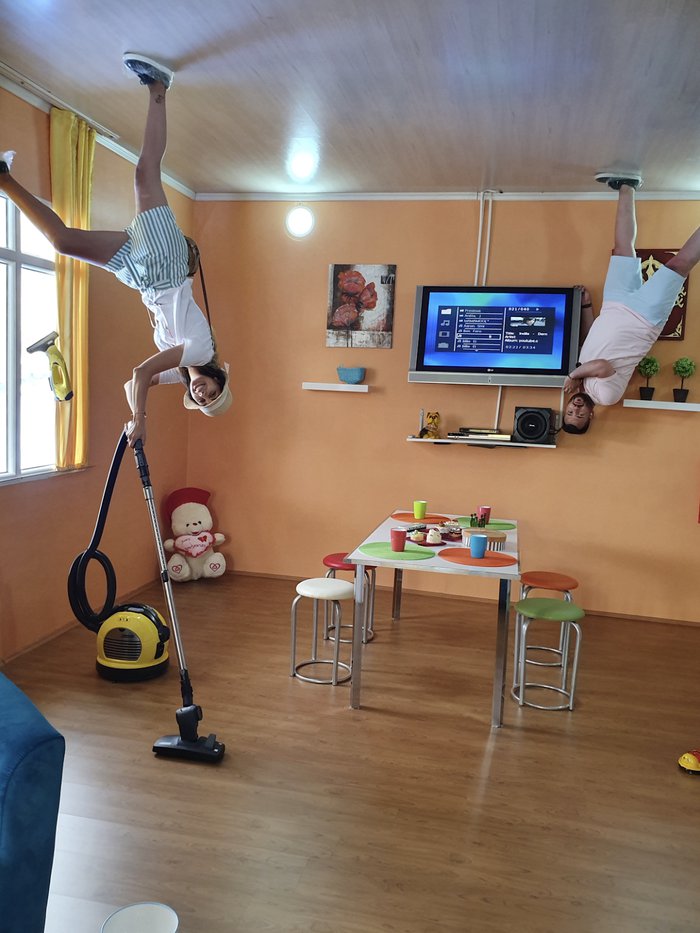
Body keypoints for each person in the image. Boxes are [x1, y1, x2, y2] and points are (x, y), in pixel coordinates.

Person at [0, 53, 231, 447]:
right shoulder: (201, 349)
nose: (202, 394)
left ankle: (4, 179)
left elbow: (132, 382)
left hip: (143, 278)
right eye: (212, 393)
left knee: (63, 242)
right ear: (218, 379)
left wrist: (133, 417)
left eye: (202, 401)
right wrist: (140, 418)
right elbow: (141, 374)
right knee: (144, 173)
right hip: (166, 266)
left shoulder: (181, 368)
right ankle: (158, 87)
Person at [562, 173, 700, 433]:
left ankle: (627, 186)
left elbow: (593, 338)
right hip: (643, 319)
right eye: (579, 415)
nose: (576, 409)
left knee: (622, 249)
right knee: (679, 264)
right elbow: (603, 365)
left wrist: (587, 306)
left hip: (614, 305)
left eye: (570, 412)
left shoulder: (583, 382)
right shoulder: (606, 396)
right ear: (591, 416)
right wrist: (573, 375)